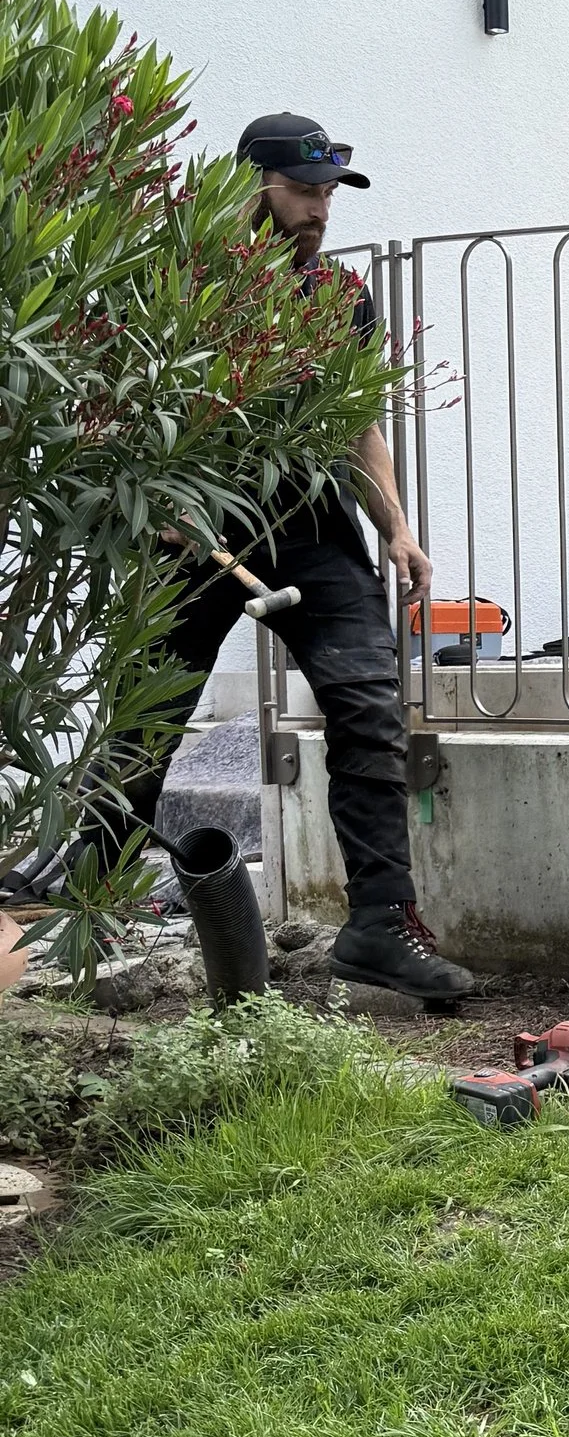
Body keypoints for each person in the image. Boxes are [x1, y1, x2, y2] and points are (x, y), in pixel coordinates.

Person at [58, 113, 474, 1004]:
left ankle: (379, 926)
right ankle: (85, 918)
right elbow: (115, 390)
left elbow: (359, 420)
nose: (319, 209)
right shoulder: (184, 278)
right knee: (147, 718)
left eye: (328, 193)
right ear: (253, 188)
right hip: (199, 529)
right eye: (303, 191)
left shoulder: (341, 295)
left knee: (368, 709)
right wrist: (153, 490)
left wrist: (396, 524)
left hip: (317, 534)